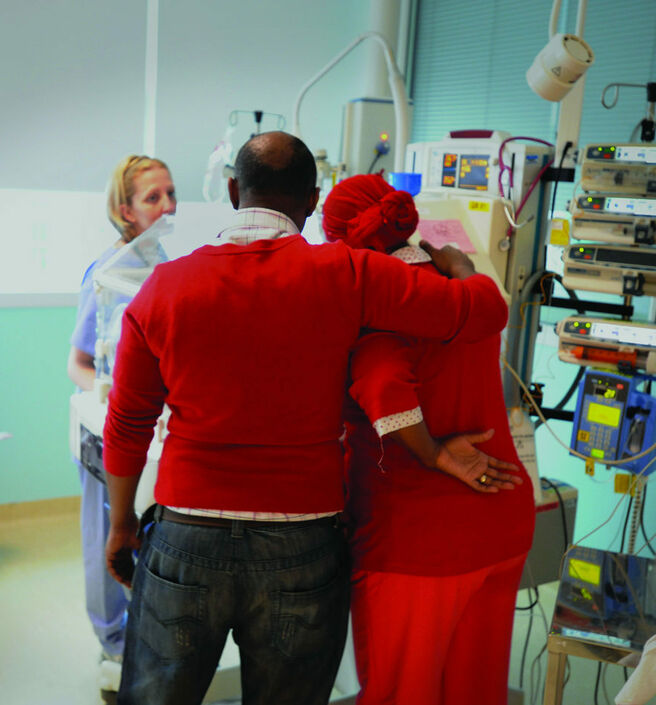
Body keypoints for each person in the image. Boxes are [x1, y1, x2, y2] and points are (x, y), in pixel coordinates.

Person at [101, 131, 517, 705]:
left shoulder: (164, 289)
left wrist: (121, 523)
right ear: (313, 199)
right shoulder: (349, 275)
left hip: (187, 536)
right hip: (302, 544)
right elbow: (483, 311)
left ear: (230, 189)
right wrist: (458, 263)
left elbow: (127, 422)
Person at [321, 173, 536, 705]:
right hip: (498, 522)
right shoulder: (466, 288)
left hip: (419, 541)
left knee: (405, 693)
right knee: (475, 690)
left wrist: (436, 452)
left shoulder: (380, 301)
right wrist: (463, 266)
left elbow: (384, 388)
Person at [67, 155, 176, 666]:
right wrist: (113, 398)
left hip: (156, 431)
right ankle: (112, 647)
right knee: (108, 541)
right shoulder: (108, 274)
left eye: (170, 194)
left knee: (148, 540)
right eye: (153, 198)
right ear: (125, 209)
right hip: (109, 431)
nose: (168, 206)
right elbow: (79, 362)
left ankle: (144, 641)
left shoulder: (169, 267)